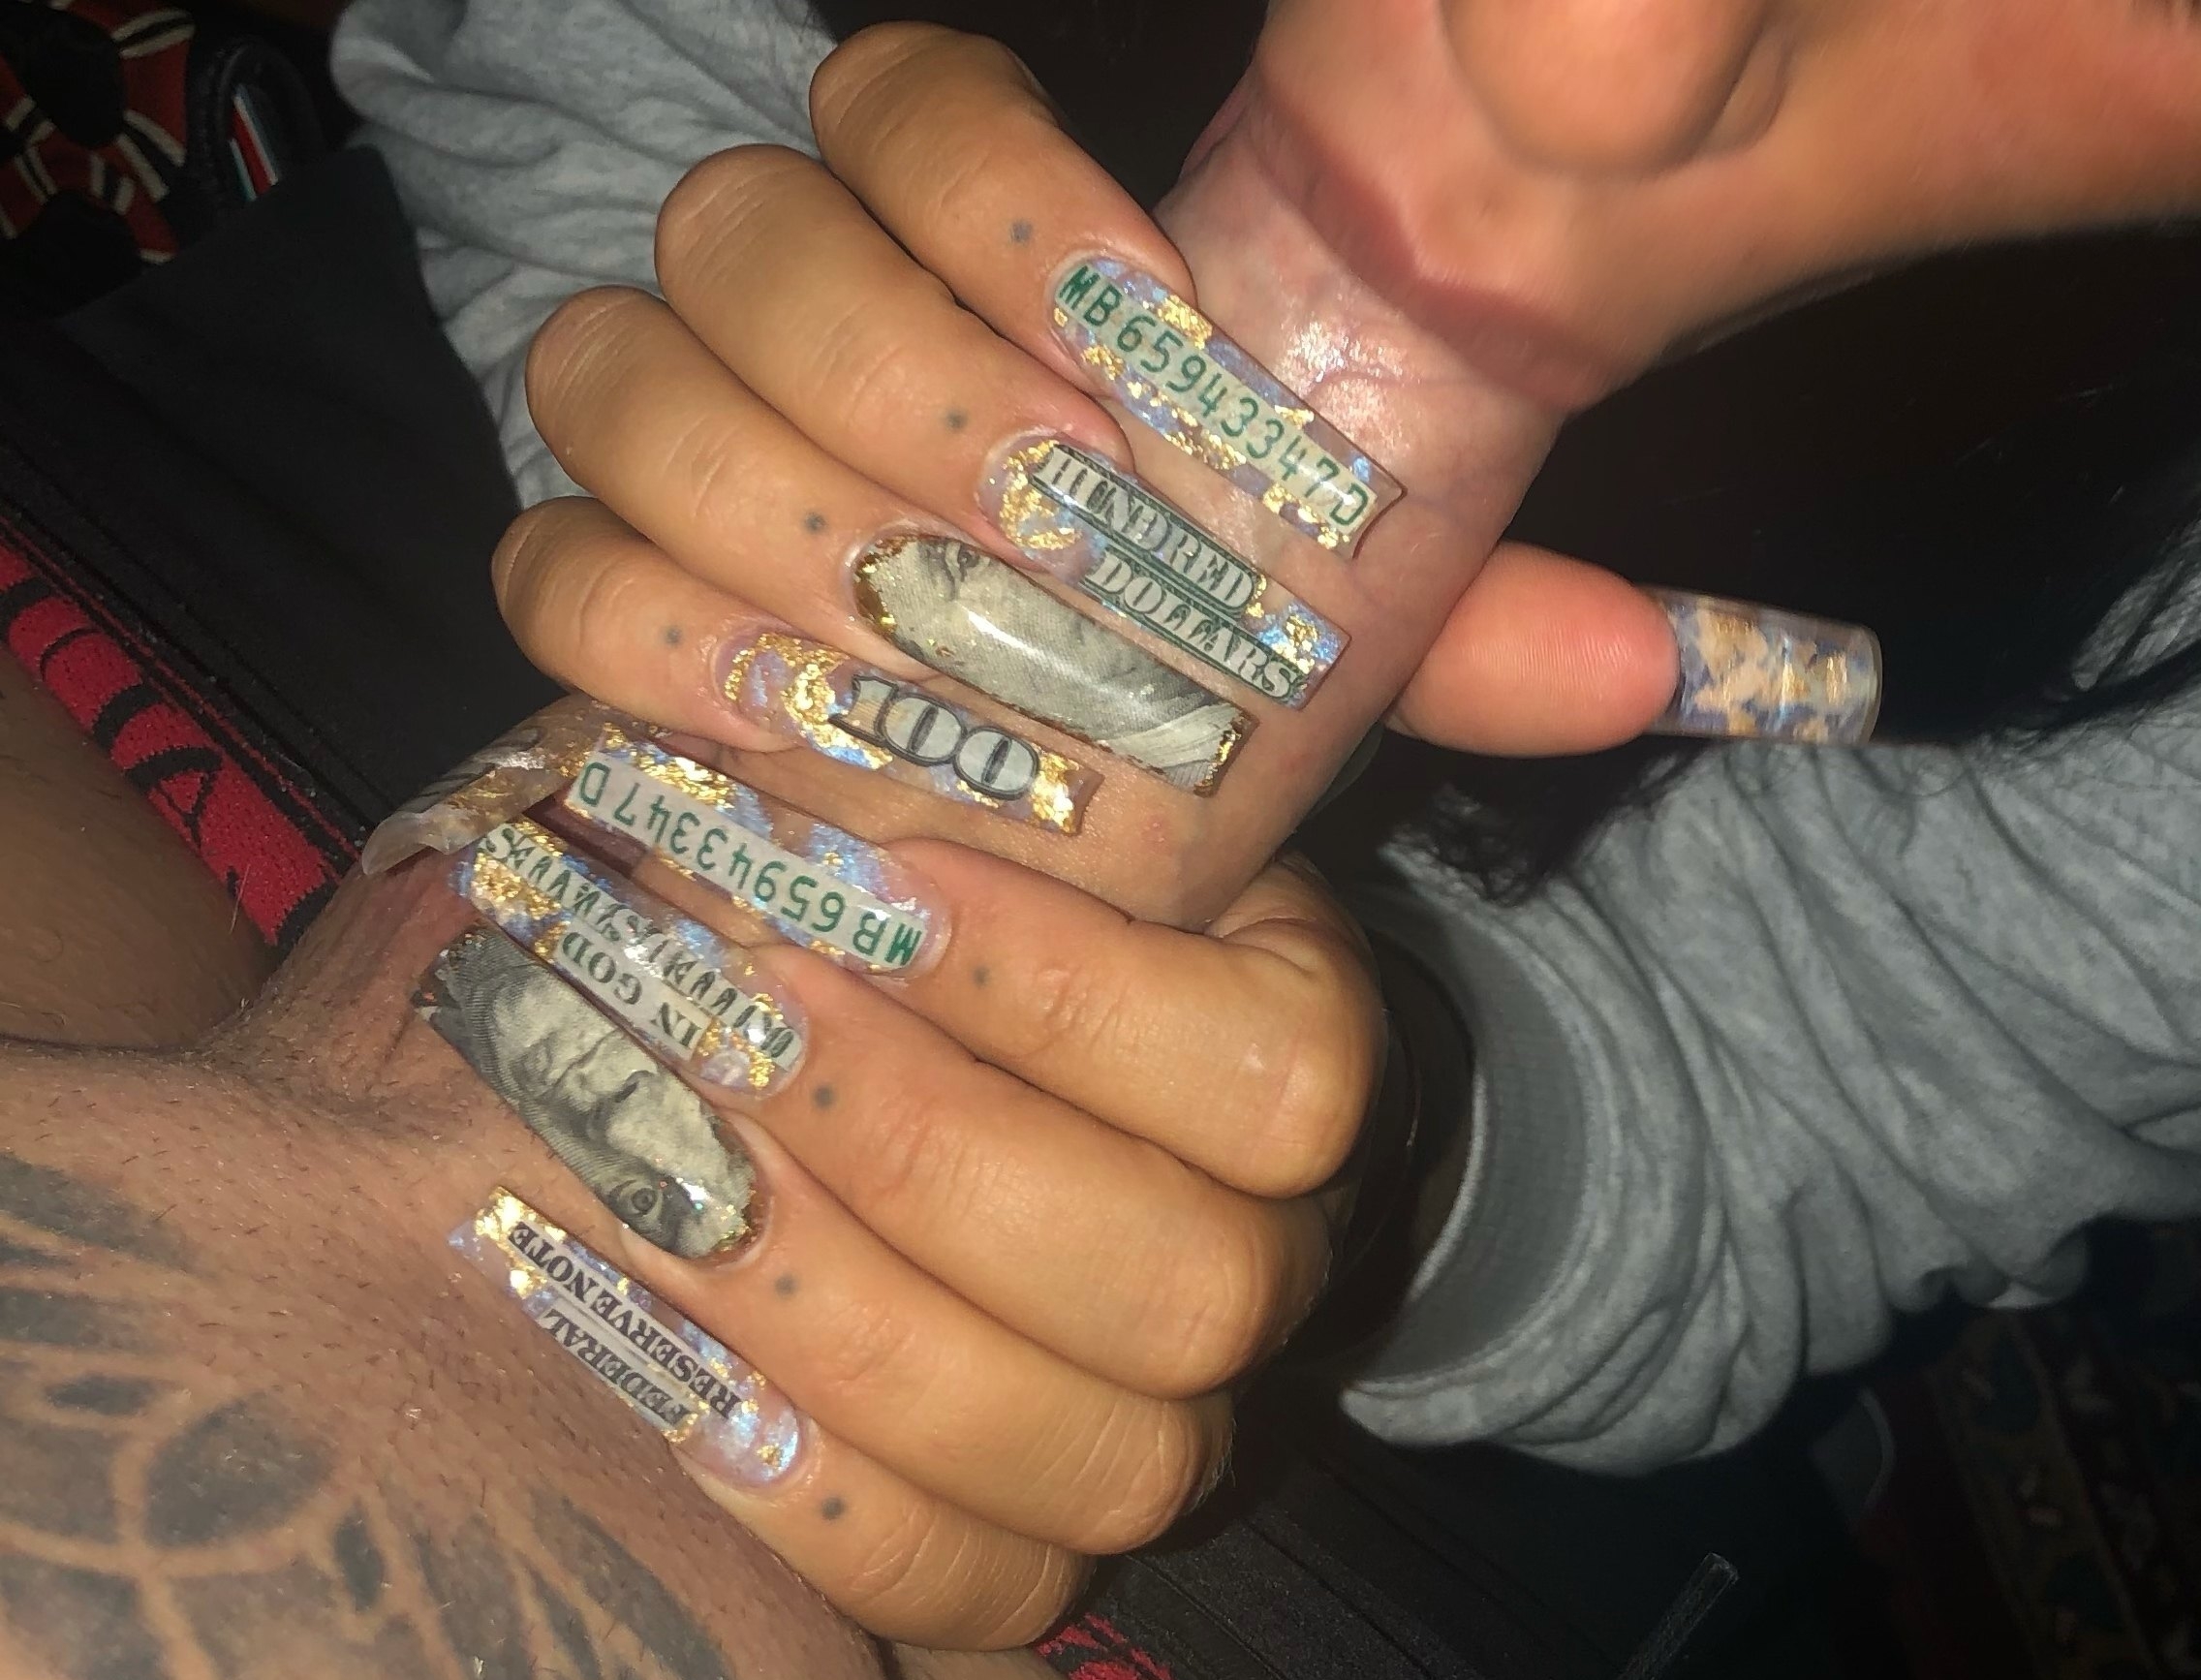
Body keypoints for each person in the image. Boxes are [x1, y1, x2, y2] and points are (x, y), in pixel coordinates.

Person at [331, 0, 2201, 1477]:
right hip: (462, 476)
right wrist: (765, 449)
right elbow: (532, 39)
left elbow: (1801, 1114)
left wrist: (1384, 1141)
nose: (1598, 47)